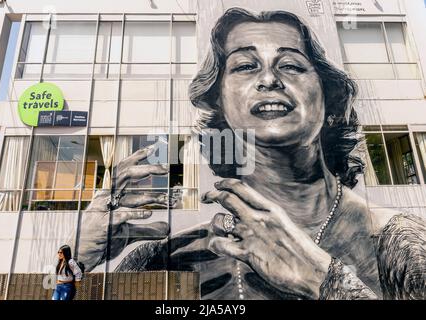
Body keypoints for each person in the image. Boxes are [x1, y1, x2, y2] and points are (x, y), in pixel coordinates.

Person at [78, 8, 426, 300]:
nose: (269, 79)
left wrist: (325, 280)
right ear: (220, 104)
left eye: (291, 65)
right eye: (245, 66)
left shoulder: (400, 243)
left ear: (330, 101)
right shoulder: (163, 258)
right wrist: (76, 263)